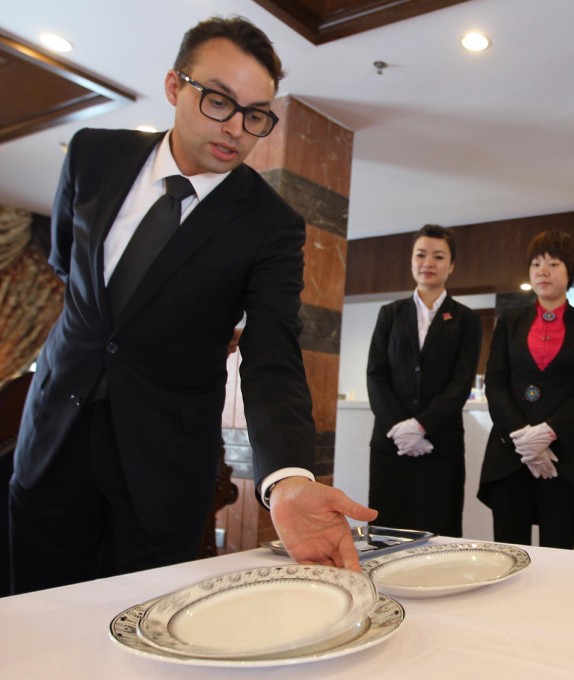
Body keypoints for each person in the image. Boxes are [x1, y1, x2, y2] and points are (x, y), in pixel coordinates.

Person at [9, 17, 375, 594]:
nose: (236, 128)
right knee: (32, 612)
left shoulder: (270, 225)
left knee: (147, 624)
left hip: (164, 460)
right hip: (55, 432)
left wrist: (288, 478)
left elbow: (271, 353)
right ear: (175, 86)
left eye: (255, 115)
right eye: (219, 101)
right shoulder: (93, 154)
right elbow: (67, 267)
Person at [478, 230, 574, 549]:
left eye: (552, 263)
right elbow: (496, 384)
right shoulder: (510, 320)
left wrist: (547, 433)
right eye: (536, 264)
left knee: (560, 555)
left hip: (563, 456)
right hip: (510, 454)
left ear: (570, 271)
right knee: (508, 554)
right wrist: (525, 439)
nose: (542, 271)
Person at [366, 225, 481, 536]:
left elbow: (460, 382)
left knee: (438, 532)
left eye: (438, 256)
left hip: (439, 445)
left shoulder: (466, 319)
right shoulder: (390, 313)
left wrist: (420, 426)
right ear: (411, 261)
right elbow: (375, 374)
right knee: (386, 532)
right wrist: (399, 427)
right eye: (421, 254)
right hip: (391, 445)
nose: (428, 262)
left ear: (451, 265)